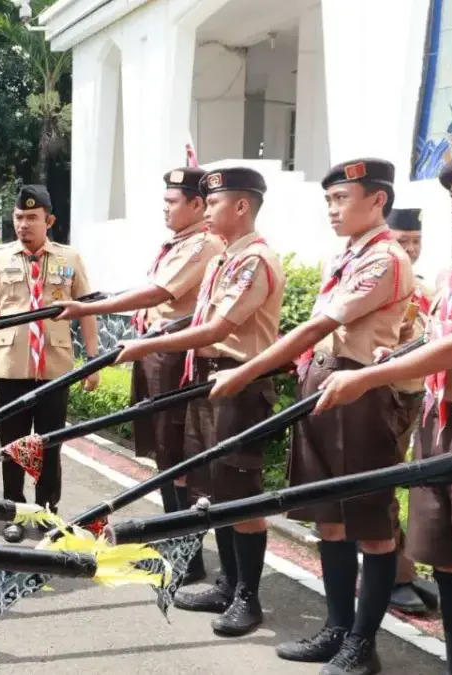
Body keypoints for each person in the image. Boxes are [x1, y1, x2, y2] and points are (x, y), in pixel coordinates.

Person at [210, 159, 413, 670]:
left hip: (362, 396)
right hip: (324, 391)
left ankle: (362, 644)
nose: (332, 209)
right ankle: (336, 629)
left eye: (342, 198)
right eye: (328, 200)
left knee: (371, 523)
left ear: (378, 200)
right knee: (329, 519)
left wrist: (244, 372)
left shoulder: (383, 259)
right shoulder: (344, 256)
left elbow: (315, 328)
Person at [314, 147, 452, 675]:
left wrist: (369, 373)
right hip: (441, 422)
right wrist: (402, 354)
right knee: (450, 566)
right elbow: (441, 335)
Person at [106, 168, 283, 637]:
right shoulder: (226, 257)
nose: (207, 209)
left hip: (239, 383)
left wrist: (142, 345)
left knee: (241, 494)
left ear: (241, 206)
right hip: (208, 379)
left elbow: (219, 328)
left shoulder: (253, 260)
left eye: (215, 201)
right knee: (214, 489)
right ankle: (227, 583)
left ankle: (248, 595)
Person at [57, 168, 223, 583]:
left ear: (198, 205)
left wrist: (87, 308)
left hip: (175, 360)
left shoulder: (203, 245)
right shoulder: (181, 243)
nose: (164, 209)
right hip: (157, 355)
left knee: (180, 458)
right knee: (166, 454)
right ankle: (178, 546)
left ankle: (189, 555)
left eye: (172, 202)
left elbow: (158, 294)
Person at [0, 185, 97, 544]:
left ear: (49, 220)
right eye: (18, 217)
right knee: (12, 445)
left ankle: (47, 510)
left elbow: (88, 312)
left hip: (54, 367)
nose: (24, 224)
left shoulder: (69, 259)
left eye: (32, 217)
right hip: (11, 366)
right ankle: (13, 510)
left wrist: (94, 359)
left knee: (50, 444)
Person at [384, 207, 439, 616]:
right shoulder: (386, 284)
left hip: (419, 399)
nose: (411, 249)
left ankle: (405, 569)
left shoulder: (425, 288)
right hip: (386, 397)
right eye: (403, 241)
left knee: (416, 488)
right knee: (384, 488)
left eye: (416, 241)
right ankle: (393, 576)